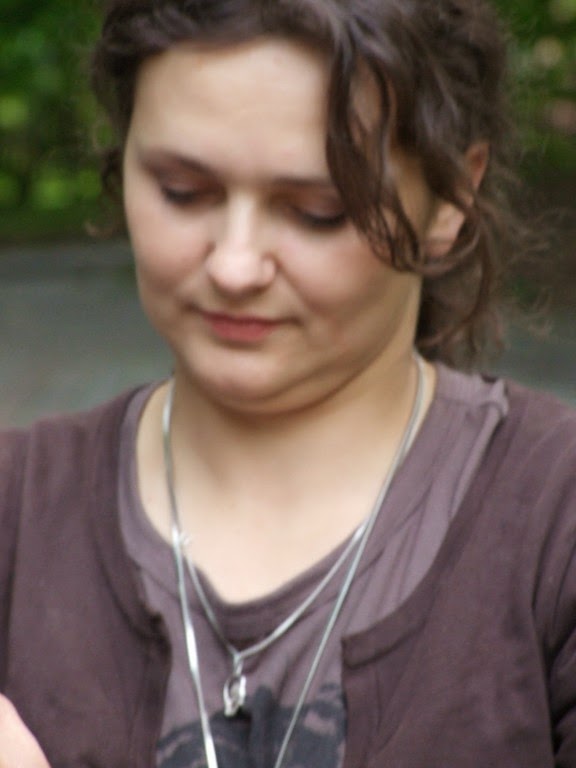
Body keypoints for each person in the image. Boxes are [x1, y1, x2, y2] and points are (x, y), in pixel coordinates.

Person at [1, 0, 575, 766]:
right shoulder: (16, 509)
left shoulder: (555, 519)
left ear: (451, 198)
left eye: (317, 210)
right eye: (181, 190)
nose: (235, 265)